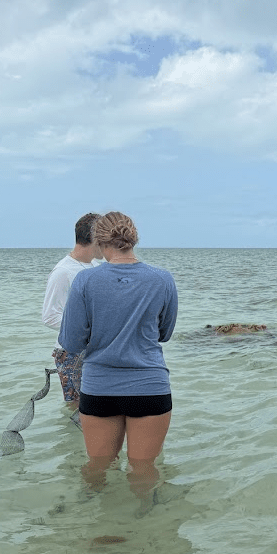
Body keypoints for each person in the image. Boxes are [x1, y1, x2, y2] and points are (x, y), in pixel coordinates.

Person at [59, 212, 178, 502]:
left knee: (97, 469)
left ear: (99, 242)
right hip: (150, 388)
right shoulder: (162, 279)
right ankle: (145, 522)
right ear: (133, 239)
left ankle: (94, 522)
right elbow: (164, 333)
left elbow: (71, 342)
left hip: (100, 388)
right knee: (144, 470)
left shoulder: (85, 280)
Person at [42, 212, 103, 409]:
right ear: (95, 238)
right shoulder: (63, 272)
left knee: (96, 407)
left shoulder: (95, 265)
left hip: (94, 350)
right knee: (77, 409)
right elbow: (49, 316)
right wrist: (86, 328)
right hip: (70, 353)